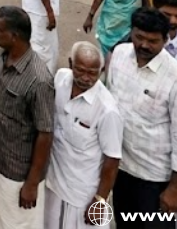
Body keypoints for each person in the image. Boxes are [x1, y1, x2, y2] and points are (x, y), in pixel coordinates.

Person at [106, 8, 177, 228]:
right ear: (131, 32)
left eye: (153, 41)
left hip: (154, 180)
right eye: (139, 37)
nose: (144, 45)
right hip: (120, 168)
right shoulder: (119, 54)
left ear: (166, 40)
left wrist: (175, 189)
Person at [0, 5, 54, 229]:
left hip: (16, 175)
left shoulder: (39, 80)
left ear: (14, 36)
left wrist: (31, 183)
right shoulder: (0, 57)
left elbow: (45, 133)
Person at [44, 42, 122, 229]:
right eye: (80, 71)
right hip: (52, 184)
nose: (86, 78)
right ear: (71, 64)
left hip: (81, 194)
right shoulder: (60, 80)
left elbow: (112, 160)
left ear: (102, 71)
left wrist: (100, 200)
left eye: (93, 73)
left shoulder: (107, 110)